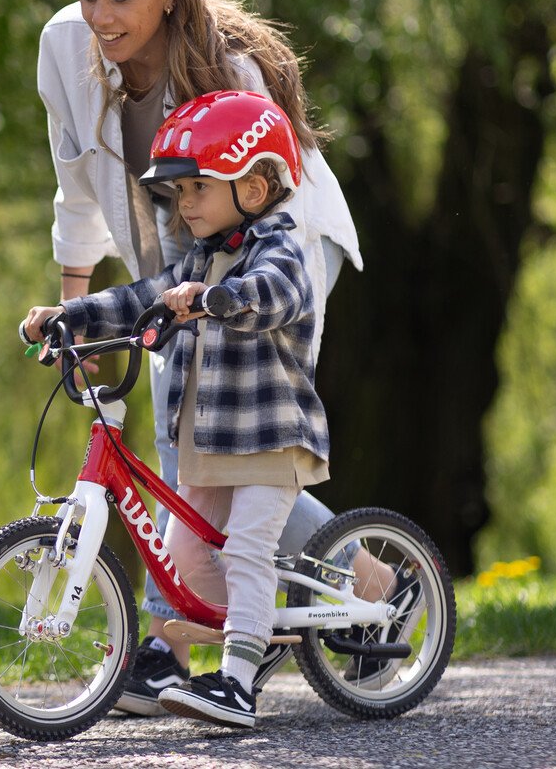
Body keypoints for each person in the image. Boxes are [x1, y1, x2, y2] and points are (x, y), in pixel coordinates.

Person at [36, 0, 368, 711]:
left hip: (279, 250)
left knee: (217, 438)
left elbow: (277, 226)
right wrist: (77, 312)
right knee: (208, 453)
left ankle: (166, 647)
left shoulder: (235, 71)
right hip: (172, 259)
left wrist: (228, 301)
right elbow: (75, 186)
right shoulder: (64, 48)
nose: (101, 17)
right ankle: (366, 584)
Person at [23, 90, 332, 728]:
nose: (183, 203)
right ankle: (255, 637)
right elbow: (142, 295)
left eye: (197, 188)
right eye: (179, 191)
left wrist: (212, 299)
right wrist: (69, 315)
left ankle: (238, 682)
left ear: (253, 185)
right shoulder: (198, 258)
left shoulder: (279, 248)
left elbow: (273, 297)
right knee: (185, 557)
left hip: (270, 439)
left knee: (246, 549)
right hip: (212, 444)